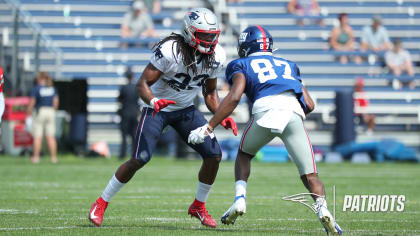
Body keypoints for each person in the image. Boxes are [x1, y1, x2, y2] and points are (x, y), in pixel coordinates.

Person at [89, 8, 237, 228]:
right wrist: (153, 102)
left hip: (186, 109)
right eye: (204, 34)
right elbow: (142, 84)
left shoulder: (217, 55)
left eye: (212, 34)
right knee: (140, 158)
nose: (209, 39)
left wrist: (220, 114)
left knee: (214, 155)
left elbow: (210, 93)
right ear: (189, 32)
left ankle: (198, 205)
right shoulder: (170, 50)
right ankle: (101, 202)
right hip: (157, 108)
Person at [188, 25, 342, 235]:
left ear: (246, 46)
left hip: (265, 110)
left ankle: (240, 199)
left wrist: (209, 127)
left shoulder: (240, 63)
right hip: (293, 112)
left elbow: (234, 97)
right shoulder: (288, 65)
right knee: (310, 175)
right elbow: (310, 104)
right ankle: (323, 209)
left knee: (243, 154)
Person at [27, 72, 59, 164]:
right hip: (51, 111)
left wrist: (28, 112)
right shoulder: (52, 88)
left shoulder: (36, 88)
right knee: (51, 137)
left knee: (37, 136)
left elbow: (32, 102)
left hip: (40, 111)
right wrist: (53, 111)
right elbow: (56, 103)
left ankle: (36, 158)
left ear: (39, 78)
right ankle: (53, 158)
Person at [118, 67, 140, 159]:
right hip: (135, 113)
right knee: (134, 135)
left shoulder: (123, 87)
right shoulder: (137, 87)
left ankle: (122, 154)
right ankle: (134, 154)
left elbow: (119, 100)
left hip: (125, 113)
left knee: (124, 135)